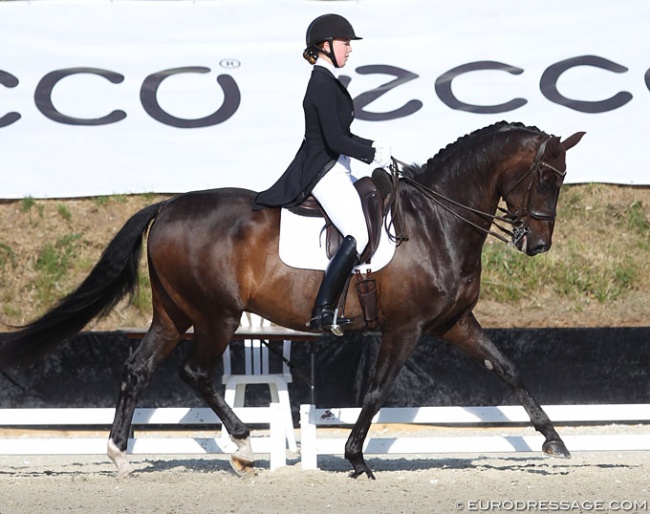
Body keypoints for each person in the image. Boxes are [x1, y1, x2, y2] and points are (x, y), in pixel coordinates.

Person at [252, 13, 392, 335]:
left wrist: (376, 149)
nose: (349, 49)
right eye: (345, 43)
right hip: (322, 171)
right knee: (357, 231)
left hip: (337, 166)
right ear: (326, 46)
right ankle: (323, 310)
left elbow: (342, 136)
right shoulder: (321, 84)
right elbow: (334, 139)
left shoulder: (329, 82)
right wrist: (371, 151)